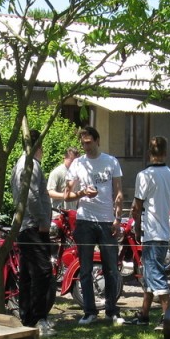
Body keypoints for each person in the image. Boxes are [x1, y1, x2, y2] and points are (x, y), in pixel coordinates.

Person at [65, 126, 124, 326]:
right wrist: (82, 194)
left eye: (88, 142)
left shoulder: (111, 161)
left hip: (108, 221)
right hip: (85, 220)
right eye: (83, 143)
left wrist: (118, 219)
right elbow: (67, 195)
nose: (85, 146)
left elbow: (118, 192)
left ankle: (112, 311)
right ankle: (89, 311)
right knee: (85, 269)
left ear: (97, 141)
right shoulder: (77, 164)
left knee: (111, 269)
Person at [128, 137, 170, 327]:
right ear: (165, 153)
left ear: (149, 153)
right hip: (164, 232)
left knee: (155, 275)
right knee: (149, 274)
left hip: (152, 232)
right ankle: (144, 314)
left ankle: (169, 317)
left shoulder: (144, 175)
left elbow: (136, 207)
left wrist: (138, 228)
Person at [11, 136, 55, 337]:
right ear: (38, 145)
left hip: (29, 226)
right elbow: (31, 196)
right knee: (42, 272)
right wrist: (43, 220)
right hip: (33, 226)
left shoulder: (27, 163)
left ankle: (28, 318)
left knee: (29, 274)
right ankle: (38, 319)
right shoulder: (28, 165)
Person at [48, 147, 80, 212]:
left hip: (73, 213)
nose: (75, 163)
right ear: (65, 158)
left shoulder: (78, 173)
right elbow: (49, 192)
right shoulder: (57, 172)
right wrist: (65, 195)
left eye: (77, 161)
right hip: (58, 213)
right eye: (72, 160)